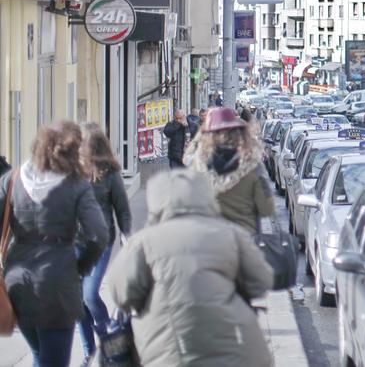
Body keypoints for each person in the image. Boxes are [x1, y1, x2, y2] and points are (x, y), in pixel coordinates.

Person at [108, 170, 273, 366]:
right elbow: (261, 281)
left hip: (169, 351)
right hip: (236, 348)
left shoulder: (143, 243)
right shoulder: (231, 234)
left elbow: (122, 294)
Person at [0, 122, 107, 367]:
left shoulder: (13, 179)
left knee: (40, 355)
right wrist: (80, 268)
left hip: (18, 281)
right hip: (57, 283)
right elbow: (98, 235)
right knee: (53, 360)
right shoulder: (76, 185)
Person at [77, 123, 132, 362]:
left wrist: (127, 234)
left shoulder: (110, 174)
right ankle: (90, 353)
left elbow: (122, 209)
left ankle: (110, 336)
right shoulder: (72, 171)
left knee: (89, 295)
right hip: (73, 243)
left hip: (100, 243)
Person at [187, 107, 274, 234]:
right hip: (243, 238)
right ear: (240, 133)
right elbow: (267, 208)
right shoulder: (253, 166)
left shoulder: (198, 165)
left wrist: (199, 136)